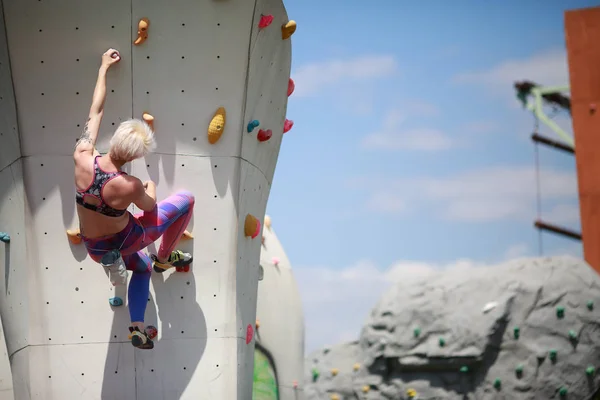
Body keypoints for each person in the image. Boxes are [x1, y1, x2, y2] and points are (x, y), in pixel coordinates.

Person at [73, 48, 195, 349]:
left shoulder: (82, 156)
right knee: (186, 200)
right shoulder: (128, 184)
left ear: (115, 139)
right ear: (137, 155)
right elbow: (151, 207)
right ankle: (165, 258)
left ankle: (138, 327)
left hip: (96, 249)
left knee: (140, 268)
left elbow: (96, 111)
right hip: (128, 240)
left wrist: (103, 68)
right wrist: (149, 185)